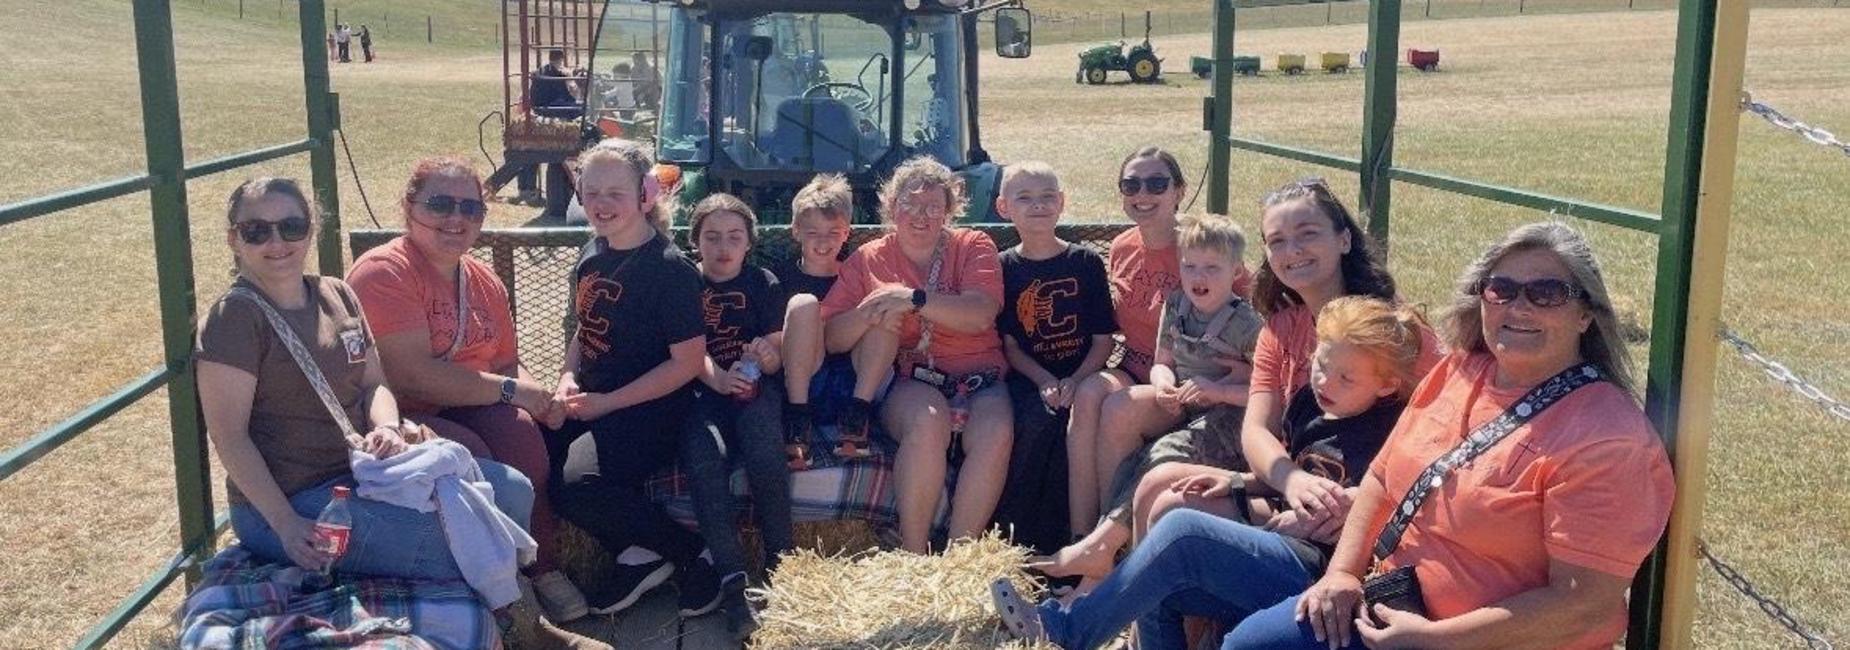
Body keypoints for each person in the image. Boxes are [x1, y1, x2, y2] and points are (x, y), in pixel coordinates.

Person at [197, 177, 594, 648]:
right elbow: (230, 437)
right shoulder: (235, 318)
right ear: (234, 239)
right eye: (257, 231)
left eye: (291, 226)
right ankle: (528, 628)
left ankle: (507, 618)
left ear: (311, 229)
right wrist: (284, 523)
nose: (277, 242)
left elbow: (375, 383)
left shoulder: (336, 294)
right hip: (294, 498)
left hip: (362, 472)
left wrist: (387, 426)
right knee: (459, 540)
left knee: (512, 490)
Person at [1033, 178, 1439, 600]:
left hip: (1360, 500)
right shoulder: (1281, 328)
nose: (1292, 250)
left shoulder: (1392, 330)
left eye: (1307, 234)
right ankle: (1118, 593)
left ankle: (1098, 600)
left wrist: (1361, 499)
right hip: (1290, 482)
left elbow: (1444, 435)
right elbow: (1257, 430)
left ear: (1344, 239)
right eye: (1277, 241)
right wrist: (1290, 480)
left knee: (1172, 500)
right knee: (1161, 483)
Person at [992, 295, 1427, 649]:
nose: (1325, 382)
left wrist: (1319, 521)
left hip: (1323, 571)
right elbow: (1296, 471)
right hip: (1282, 537)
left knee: (1182, 532)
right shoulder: (1310, 404)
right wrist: (1238, 482)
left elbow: (1384, 507)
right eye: (1321, 365)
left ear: (1386, 385)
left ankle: (1066, 629)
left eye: (1346, 378)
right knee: (1157, 584)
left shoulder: (1390, 430)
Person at [345, 157, 591, 625]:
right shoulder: (384, 272)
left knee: (522, 435)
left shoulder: (482, 280)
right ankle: (489, 589)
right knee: (470, 450)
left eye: (470, 208)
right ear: (409, 207)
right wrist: (513, 391)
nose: (456, 218)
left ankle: (541, 567)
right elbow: (411, 376)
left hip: (470, 401)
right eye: (440, 204)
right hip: (397, 415)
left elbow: (506, 363)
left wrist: (542, 400)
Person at [547, 138, 726, 619]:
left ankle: (692, 554)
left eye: (615, 193)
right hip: (594, 398)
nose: (601, 204)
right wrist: (566, 377)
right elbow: (585, 328)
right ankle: (640, 554)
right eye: (591, 192)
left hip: (652, 409)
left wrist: (607, 404)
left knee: (576, 487)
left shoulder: (670, 271)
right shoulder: (592, 250)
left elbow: (686, 363)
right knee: (533, 456)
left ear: (646, 195)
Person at [819, 156, 1012, 554]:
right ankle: (914, 551)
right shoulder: (868, 258)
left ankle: (960, 556)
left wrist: (913, 299)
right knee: (926, 422)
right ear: (892, 207)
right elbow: (831, 337)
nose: (921, 216)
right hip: (912, 377)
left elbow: (980, 314)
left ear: (949, 212)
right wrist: (871, 310)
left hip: (981, 375)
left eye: (933, 207)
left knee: (995, 432)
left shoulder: (973, 245)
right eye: (910, 204)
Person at [1063, 147, 1253, 537]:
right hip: (1142, 366)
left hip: (1195, 379)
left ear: (1179, 191)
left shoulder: (1202, 248)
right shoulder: (1123, 247)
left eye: (1156, 183)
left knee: (1119, 409)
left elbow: (1250, 313)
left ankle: (1112, 534)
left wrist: (1236, 375)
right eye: (1131, 184)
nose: (1143, 194)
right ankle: (1082, 531)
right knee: (1088, 395)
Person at [680, 193, 796, 640]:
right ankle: (732, 581)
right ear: (696, 242)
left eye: (734, 236)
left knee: (763, 441)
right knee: (702, 453)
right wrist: (717, 379)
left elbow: (777, 350)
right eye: (711, 237)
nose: (723, 247)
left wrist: (767, 356)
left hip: (753, 387)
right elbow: (686, 350)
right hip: (701, 388)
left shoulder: (762, 282)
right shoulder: (685, 282)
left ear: (749, 242)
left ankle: (782, 562)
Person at [987, 161, 1116, 557]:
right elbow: (1011, 346)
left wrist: (1075, 381)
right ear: (1004, 207)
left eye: (1047, 197)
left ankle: (1067, 540)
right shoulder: (1003, 267)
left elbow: (1103, 340)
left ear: (1061, 202)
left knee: (1071, 423)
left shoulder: (1085, 263)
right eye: (1025, 198)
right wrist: (1044, 380)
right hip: (1029, 378)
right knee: (1034, 421)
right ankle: (1015, 538)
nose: (1038, 206)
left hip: (1083, 374)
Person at [777, 173, 857, 470]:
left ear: (847, 233)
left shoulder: (856, 275)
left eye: (833, 232)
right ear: (796, 231)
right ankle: (797, 422)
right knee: (804, 304)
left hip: (848, 382)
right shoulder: (778, 278)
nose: (823, 242)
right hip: (804, 381)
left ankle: (856, 421)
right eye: (813, 232)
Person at [518, 50, 583, 206]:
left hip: (538, 108)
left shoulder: (539, 72)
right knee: (580, 109)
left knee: (528, 156)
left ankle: (526, 189)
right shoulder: (559, 73)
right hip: (551, 107)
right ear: (561, 59)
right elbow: (569, 95)